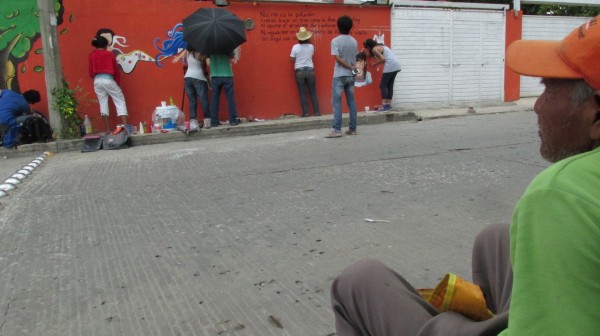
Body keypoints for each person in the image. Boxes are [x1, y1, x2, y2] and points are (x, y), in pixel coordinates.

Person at [330, 15, 600, 336]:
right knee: (495, 238)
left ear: (596, 112)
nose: (537, 106)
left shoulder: (560, 192)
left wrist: (450, 324)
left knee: (358, 280)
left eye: (549, 89)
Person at [326, 15, 359, 138]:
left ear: (338, 26)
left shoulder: (335, 41)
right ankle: (352, 128)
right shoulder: (354, 41)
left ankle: (337, 129)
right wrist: (353, 70)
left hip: (339, 75)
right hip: (351, 76)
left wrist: (350, 67)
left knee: (337, 103)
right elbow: (355, 58)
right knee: (351, 102)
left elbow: (338, 59)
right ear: (351, 27)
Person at [89, 35, 128, 131]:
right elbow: (116, 70)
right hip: (109, 79)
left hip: (97, 80)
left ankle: (107, 129)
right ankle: (126, 127)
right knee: (120, 101)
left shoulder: (92, 55)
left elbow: (90, 71)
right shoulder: (110, 55)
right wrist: (117, 82)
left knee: (103, 104)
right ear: (106, 44)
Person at [173, 46, 210, 130]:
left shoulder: (188, 52)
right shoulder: (201, 53)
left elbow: (183, 53)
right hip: (199, 78)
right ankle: (208, 119)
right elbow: (206, 64)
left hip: (188, 78)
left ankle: (193, 120)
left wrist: (178, 57)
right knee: (203, 99)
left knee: (192, 101)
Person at [363, 38, 401, 112]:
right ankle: (388, 105)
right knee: (390, 85)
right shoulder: (381, 46)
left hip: (390, 65)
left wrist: (374, 64)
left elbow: (382, 59)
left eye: (366, 47)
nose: (366, 48)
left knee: (382, 85)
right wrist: (369, 55)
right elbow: (379, 55)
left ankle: (384, 106)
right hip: (396, 65)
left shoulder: (374, 49)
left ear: (368, 46)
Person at [290, 27, 321, 117]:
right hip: (310, 69)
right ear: (307, 37)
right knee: (313, 92)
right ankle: (317, 112)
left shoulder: (295, 47)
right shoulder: (311, 46)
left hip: (299, 70)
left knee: (302, 93)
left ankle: (306, 112)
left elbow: (291, 59)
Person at [208, 53, 239, 127]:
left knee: (215, 99)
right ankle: (233, 120)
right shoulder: (227, 44)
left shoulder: (210, 47)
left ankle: (214, 122)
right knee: (230, 98)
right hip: (227, 74)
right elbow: (232, 56)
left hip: (215, 75)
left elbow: (207, 58)